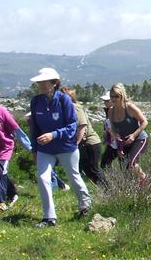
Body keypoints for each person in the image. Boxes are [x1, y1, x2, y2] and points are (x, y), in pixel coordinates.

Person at [29, 68, 91, 227]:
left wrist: (53, 135)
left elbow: (72, 126)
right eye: (39, 82)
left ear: (54, 83)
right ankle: (49, 217)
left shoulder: (64, 100)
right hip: (45, 149)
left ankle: (85, 206)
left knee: (74, 177)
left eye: (44, 81)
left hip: (66, 148)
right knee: (43, 178)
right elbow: (34, 128)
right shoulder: (36, 101)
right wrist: (34, 149)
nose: (41, 85)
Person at [0, 84, 30, 212]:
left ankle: (1, 202)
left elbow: (16, 130)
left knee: (0, 170)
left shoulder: (2, 112)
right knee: (1, 173)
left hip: (5, 148)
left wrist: (30, 148)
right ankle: (13, 193)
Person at [108, 83, 149, 186]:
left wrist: (133, 135)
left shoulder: (130, 107)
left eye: (116, 96)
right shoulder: (111, 111)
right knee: (125, 168)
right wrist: (115, 135)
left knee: (132, 163)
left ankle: (143, 179)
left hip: (139, 138)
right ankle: (133, 187)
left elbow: (144, 122)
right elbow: (112, 126)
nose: (113, 99)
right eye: (111, 96)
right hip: (124, 141)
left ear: (122, 96)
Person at [61, 87, 103, 184]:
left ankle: (108, 190)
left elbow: (82, 126)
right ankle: (104, 190)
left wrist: (75, 144)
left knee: (93, 170)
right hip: (82, 144)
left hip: (89, 143)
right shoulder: (66, 109)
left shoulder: (75, 107)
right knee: (87, 170)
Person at [99, 92, 119, 170]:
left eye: (107, 101)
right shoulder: (109, 111)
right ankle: (114, 180)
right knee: (105, 163)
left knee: (106, 163)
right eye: (104, 101)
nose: (105, 102)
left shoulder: (118, 111)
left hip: (119, 141)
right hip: (113, 142)